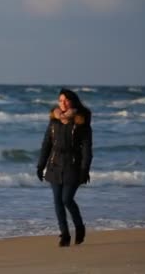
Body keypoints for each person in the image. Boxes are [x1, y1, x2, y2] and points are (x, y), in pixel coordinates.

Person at [36, 88, 92, 247]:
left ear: (73, 101)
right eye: (60, 100)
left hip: (73, 166)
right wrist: (40, 166)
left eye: (66, 100)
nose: (63, 103)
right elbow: (46, 144)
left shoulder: (81, 121)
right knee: (57, 201)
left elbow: (87, 149)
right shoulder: (54, 120)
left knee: (67, 199)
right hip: (54, 165)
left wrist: (84, 170)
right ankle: (65, 235)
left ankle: (79, 227)